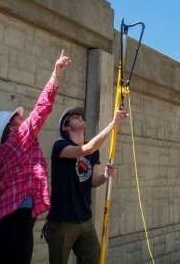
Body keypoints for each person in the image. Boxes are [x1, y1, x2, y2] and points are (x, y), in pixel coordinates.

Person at [0, 50, 72, 264]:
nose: (24, 121)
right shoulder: (17, 141)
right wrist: (55, 75)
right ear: (12, 129)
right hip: (13, 227)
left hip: (5, 227)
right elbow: (41, 110)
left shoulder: (5, 152)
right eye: (19, 119)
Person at [44, 103, 128, 264]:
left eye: (81, 116)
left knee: (95, 260)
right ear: (66, 127)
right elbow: (86, 149)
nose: (80, 117)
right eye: (75, 117)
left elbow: (92, 181)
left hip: (84, 219)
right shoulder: (60, 146)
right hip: (62, 221)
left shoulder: (93, 151)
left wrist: (104, 176)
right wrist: (113, 124)